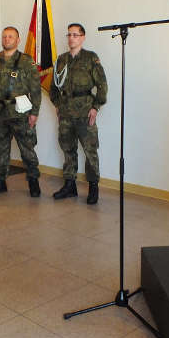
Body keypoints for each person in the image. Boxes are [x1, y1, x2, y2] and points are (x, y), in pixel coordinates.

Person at [49, 23, 108, 204]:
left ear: (82, 37)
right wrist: (58, 104)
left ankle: (93, 187)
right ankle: (70, 186)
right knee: (68, 149)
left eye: (75, 35)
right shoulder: (61, 60)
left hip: (84, 112)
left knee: (90, 151)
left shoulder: (91, 58)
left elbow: (102, 85)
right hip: (66, 112)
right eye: (69, 35)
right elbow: (53, 87)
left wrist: (95, 107)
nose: (71, 38)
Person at [0, 26, 42, 197]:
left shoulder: (26, 61)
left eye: (11, 37)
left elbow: (35, 89)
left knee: (27, 149)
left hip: (21, 112)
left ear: (18, 40)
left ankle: (33, 182)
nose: (7, 39)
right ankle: (0, 182)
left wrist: (34, 112)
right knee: (0, 149)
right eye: (4, 36)